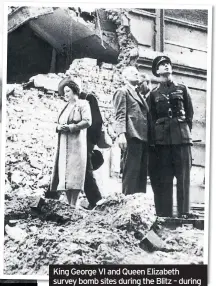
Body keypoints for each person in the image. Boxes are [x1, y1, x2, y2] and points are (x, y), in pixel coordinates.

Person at [148, 55, 194, 217]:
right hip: (163, 142)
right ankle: (166, 214)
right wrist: (156, 140)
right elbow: (151, 118)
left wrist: (184, 132)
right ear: (157, 71)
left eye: (168, 63)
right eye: (162, 65)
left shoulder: (182, 89)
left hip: (181, 139)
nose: (166, 66)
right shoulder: (153, 94)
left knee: (183, 177)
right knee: (165, 178)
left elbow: (189, 115)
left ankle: (184, 212)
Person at [50, 77, 92, 206]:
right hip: (63, 145)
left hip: (76, 144)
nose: (65, 94)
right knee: (65, 175)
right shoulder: (65, 106)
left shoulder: (83, 104)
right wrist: (58, 127)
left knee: (76, 173)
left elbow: (87, 121)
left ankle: (74, 204)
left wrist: (72, 127)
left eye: (68, 91)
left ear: (74, 91)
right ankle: (69, 204)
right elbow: (57, 122)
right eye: (64, 92)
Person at [113, 66, 149, 195]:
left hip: (143, 138)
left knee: (141, 175)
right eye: (133, 73)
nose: (136, 74)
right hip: (132, 136)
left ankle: (139, 206)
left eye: (137, 73)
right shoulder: (122, 91)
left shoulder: (139, 94)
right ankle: (127, 205)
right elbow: (120, 115)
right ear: (125, 77)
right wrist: (121, 134)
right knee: (131, 173)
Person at [79, 91, 103, 209]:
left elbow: (96, 123)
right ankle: (96, 201)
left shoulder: (87, 98)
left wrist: (90, 142)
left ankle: (97, 201)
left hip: (85, 141)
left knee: (86, 171)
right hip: (83, 141)